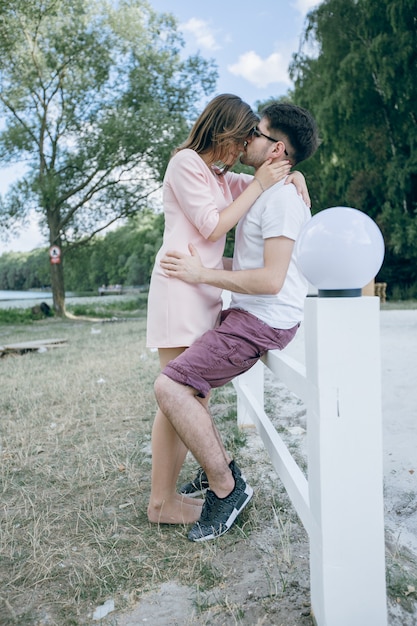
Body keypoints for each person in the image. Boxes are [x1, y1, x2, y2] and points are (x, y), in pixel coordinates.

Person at [154, 102, 320, 541]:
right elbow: (227, 235)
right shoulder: (252, 186)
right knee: (184, 387)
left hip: (260, 318)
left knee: (172, 386)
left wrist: (204, 274)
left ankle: (226, 486)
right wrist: (290, 173)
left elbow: (270, 279)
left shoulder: (280, 199)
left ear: (275, 148)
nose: (247, 139)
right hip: (243, 311)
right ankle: (215, 478)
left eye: (257, 135)